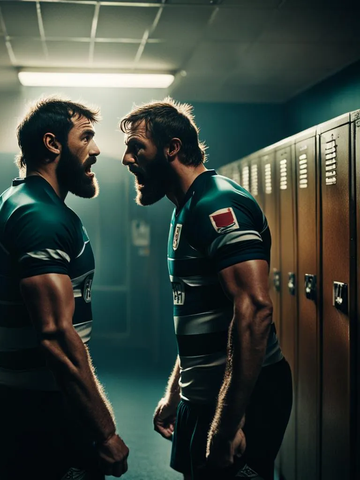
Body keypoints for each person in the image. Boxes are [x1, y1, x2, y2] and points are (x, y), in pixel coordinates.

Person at [120, 99, 292, 480]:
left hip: (242, 396)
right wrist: (176, 390)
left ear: (172, 148)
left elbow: (254, 311)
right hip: (204, 393)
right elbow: (207, 315)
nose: (126, 159)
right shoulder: (186, 206)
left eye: (136, 147)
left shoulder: (218, 203)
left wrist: (228, 425)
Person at [0, 97, 129, 480]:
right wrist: (106, 430)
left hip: (21, 397)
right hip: (34, 408)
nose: (96, 150)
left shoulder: (18, 201)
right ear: (53, 144)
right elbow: (56, 336)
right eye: (87, 137)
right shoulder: (40, 215)